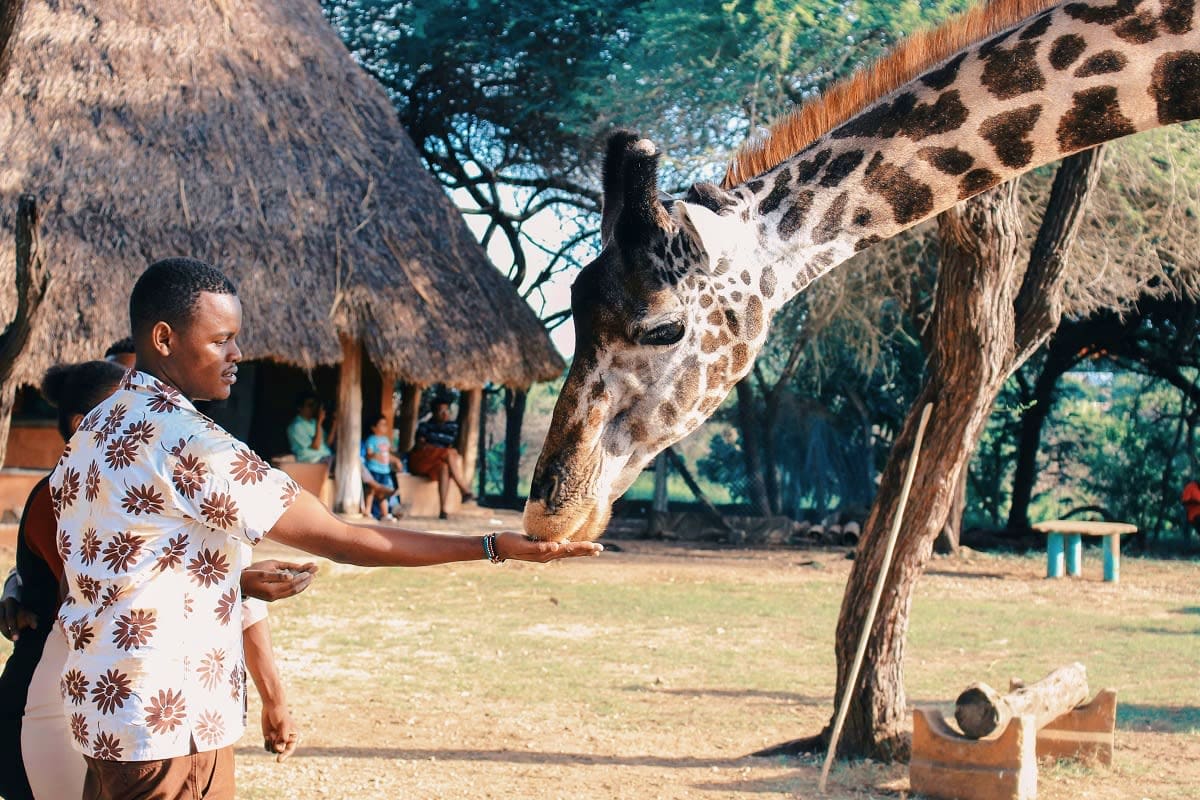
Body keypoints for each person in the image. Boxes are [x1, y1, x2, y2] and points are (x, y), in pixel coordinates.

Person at [49, 257, 600, 798]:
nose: (238, 353)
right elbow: (343, 539)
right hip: (171, 720)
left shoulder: (97, 427)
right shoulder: (187, 441)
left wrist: (229, 583)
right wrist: (490, 545)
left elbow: (128, 564)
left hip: (106, 708)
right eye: (221, 339)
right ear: (164, 339)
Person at [0, 360, 315, 800]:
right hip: (61, 699)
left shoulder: (172, 479)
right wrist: (234, 582)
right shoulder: (70, 493)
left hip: (142, 708)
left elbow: (236, 608)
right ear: (84, 424)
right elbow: (111, 591)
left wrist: (274, 698)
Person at [408, 397, 474, 519]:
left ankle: (443, 510)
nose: (444, 414)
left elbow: (450, 445)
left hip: (436, 463)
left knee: (444, 467)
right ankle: (464, 489)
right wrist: (439, 450)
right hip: (421, 461)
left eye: (446, 410)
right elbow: (421, 447)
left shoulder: (452, 427)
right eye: (440, 411)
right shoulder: (425, 426)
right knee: (449, 453)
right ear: (433, 413)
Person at [363, 415, 402, 521]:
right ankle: (367, 511)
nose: (385, 427)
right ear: (374, 427)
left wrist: (396, 461)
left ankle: (385, 514)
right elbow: (368, 454)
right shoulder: (371, 440)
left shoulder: (385, 440)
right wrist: (374, 455)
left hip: (385, 471)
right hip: (374, 470)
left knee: (383, 493)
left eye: (386, 424)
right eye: (382, 424)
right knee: (371, 490)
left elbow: (388, 455)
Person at [287, 392, 334, 464]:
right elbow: (316, 446)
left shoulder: (314, 422)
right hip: (313, 460)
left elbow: (328, 443)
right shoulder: (296, 426)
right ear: (299, 407)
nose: (313, 408)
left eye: (315, 405)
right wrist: (319, 422)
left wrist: (335, 422)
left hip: (326, 457)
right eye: (310, 405)